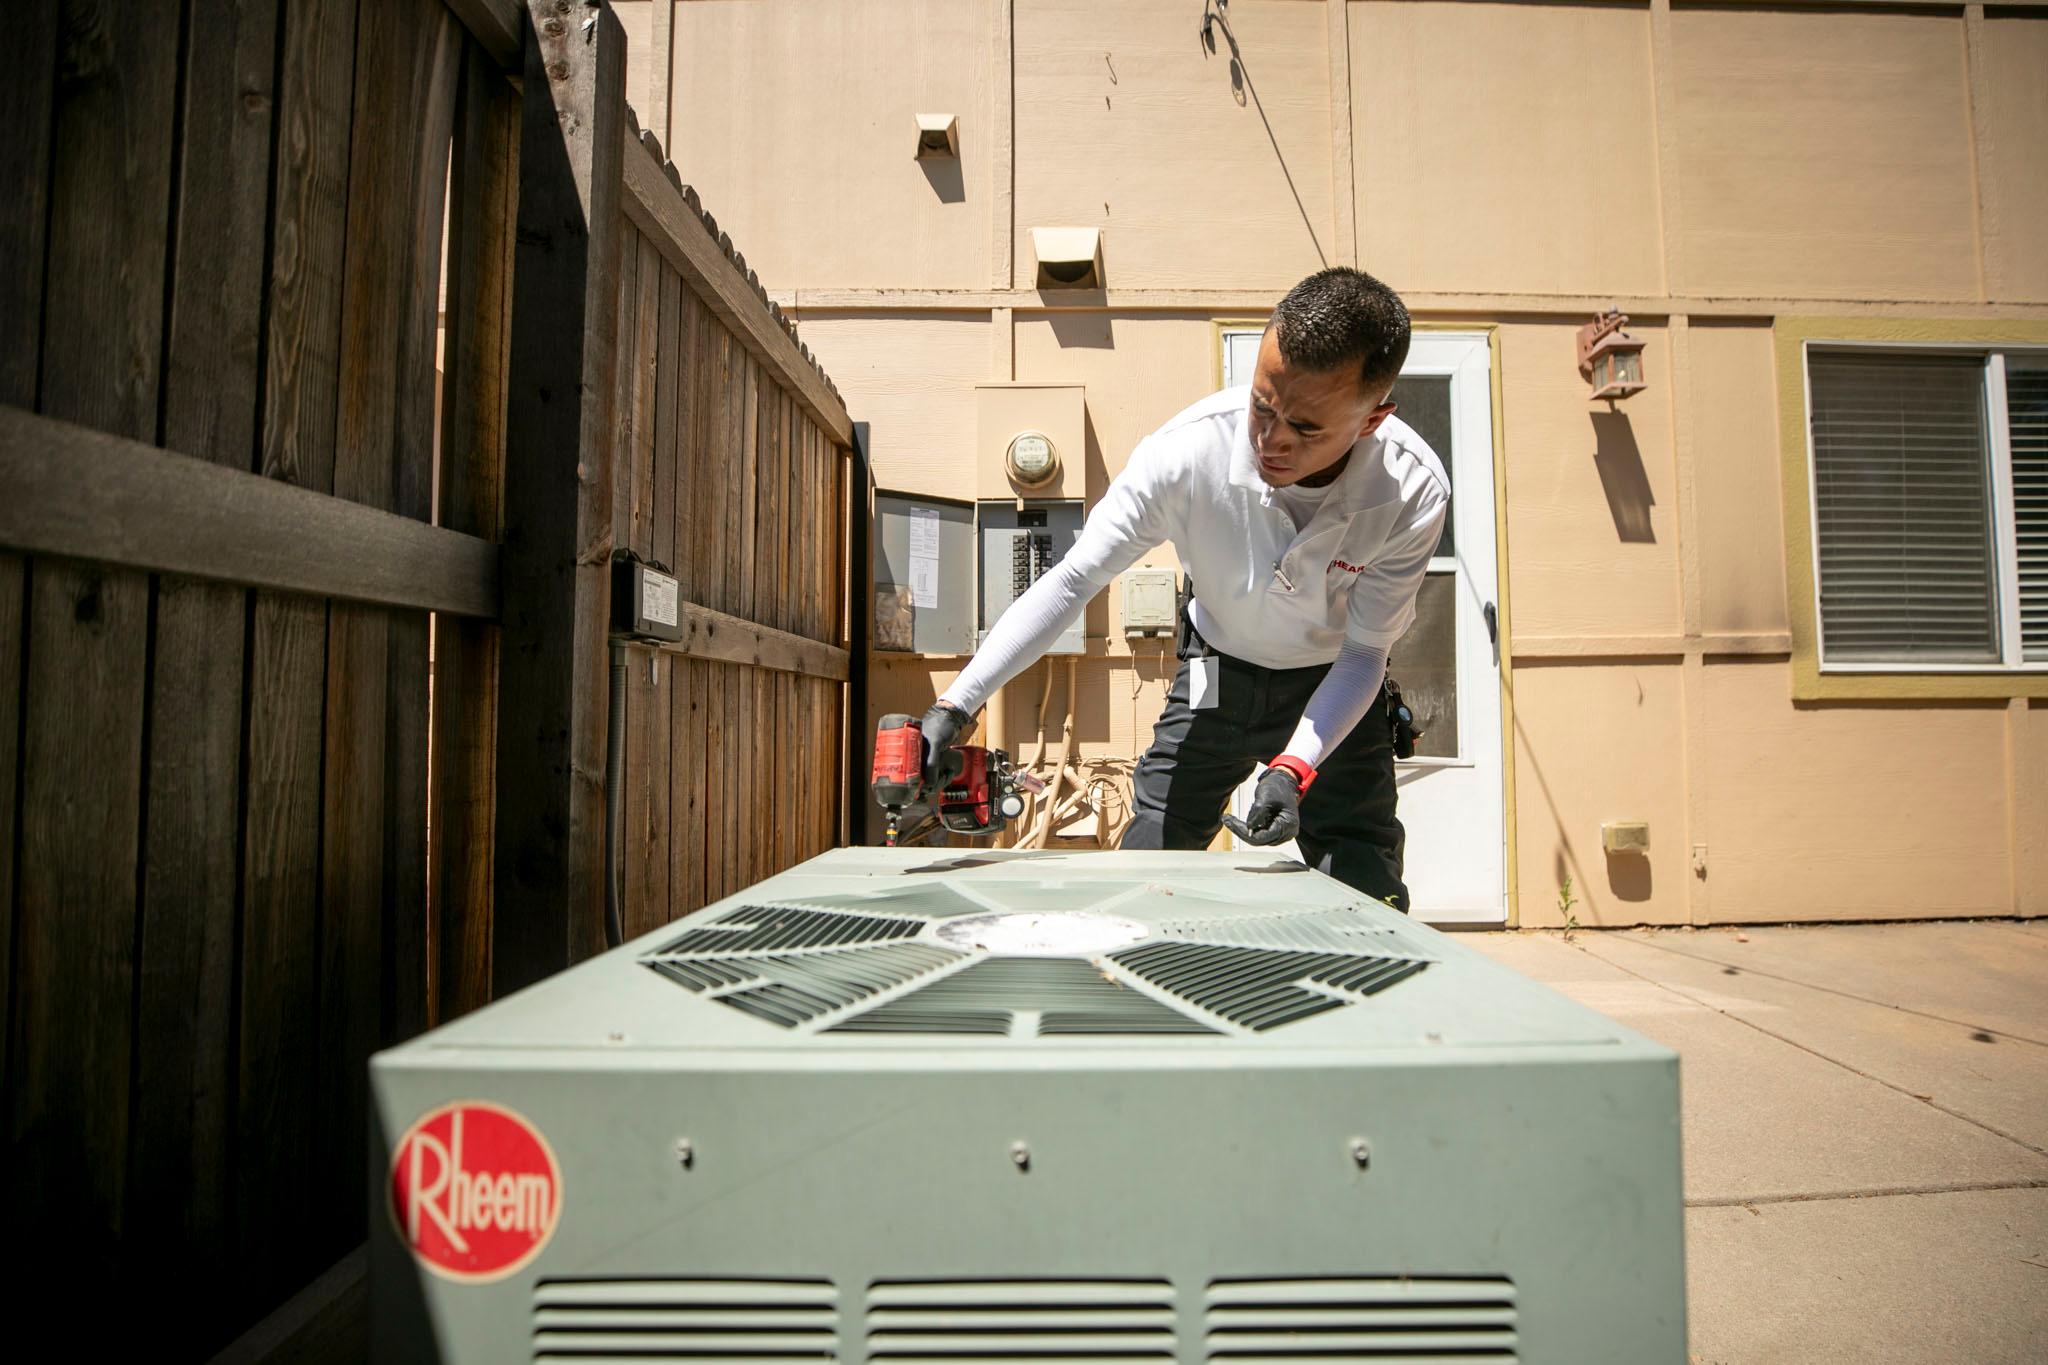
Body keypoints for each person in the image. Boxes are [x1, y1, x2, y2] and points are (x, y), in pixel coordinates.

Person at [920, 268, 1447, 913]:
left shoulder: (1411, 490)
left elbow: (1366, 655)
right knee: (1151, 854)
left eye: (1306, 429)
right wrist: (956, 704)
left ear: (1372, 420)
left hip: (1332, 684)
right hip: (1214, 671)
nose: (1271, 439)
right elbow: (1071, 581)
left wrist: (1294, 766)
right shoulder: (1184, 456)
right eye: (1262, 403)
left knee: (1367, 886)